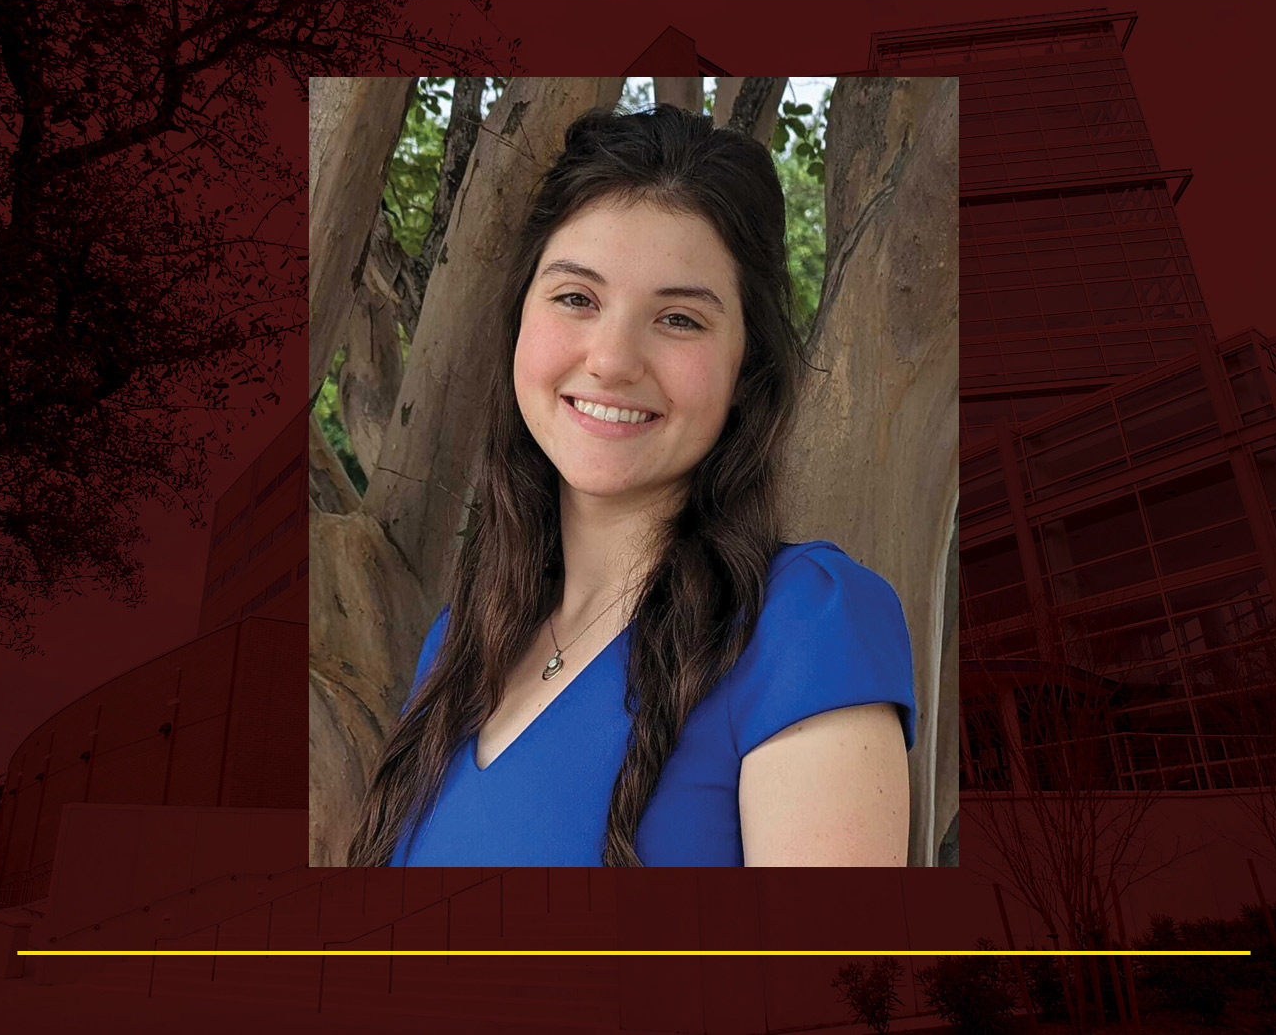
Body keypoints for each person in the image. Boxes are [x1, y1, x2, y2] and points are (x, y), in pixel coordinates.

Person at [344, 103, 916, 868]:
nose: (612, 359)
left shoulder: (805, 627)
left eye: (679, 318)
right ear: (520, 321)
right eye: (577, 298)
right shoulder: (457, 644)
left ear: (747, 367)